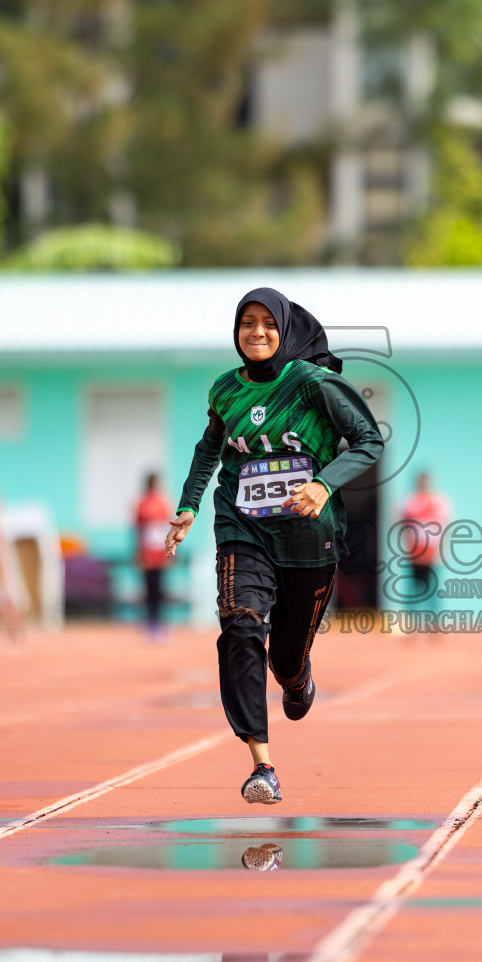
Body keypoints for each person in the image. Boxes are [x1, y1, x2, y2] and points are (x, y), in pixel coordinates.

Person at [166, 287, 382, 805]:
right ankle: (263, 765)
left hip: (310, 538)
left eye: (268, 323)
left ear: (284, 331)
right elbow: (209, 448)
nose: (257, 332)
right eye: (247, 323)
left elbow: (370, 440)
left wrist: (325, 483)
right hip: (244, 527)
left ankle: (297, 675)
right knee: (240, 625)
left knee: (284, 658)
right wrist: (190, 505)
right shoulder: (224, 390)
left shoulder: (313, 384)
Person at [397, 471, 451, 604]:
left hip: (434, 555)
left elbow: (447, 527)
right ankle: (411, 621)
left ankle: (434, 621)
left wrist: (441, 552)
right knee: (412, 592)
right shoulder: (409, 501)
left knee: (434, 592)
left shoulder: (440, 501)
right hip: (414, 554)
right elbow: (402, 526)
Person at [133, 472, 172, 640]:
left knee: (160, 589)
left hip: (160, 553)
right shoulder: (142, 504)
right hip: (148, 553)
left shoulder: (163, 503)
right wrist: (139, 553)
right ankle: (149, 622)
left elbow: (167, 528)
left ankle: (160, 622)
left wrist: (170, 550)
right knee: (148, 589)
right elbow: (138, 531)